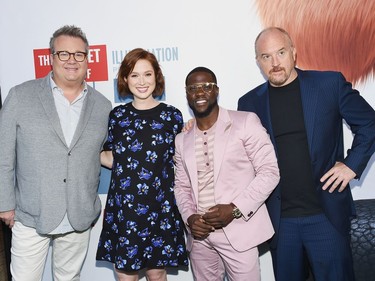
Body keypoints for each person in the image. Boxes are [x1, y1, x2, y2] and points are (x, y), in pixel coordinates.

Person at [237, 27, 375, 281]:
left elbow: (369, 124)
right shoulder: (249, 104)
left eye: (280, 52)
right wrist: (196, 126)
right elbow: (235, 150)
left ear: (294, 53)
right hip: (280, 223)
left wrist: (351, 165)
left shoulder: (328, 84)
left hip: (325, 216)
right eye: (266, 57)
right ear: (258, 62)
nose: (275, 63)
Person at [0, 25, 112, 281]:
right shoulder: (20, 96)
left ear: (87, 58)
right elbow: (3, 155)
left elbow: (107, 152)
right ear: (51, 57)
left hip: (79, 214)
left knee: (69, 278)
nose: (71, 60)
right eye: (64, 54)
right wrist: (4, 205)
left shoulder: (103, 106)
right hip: (30, 212)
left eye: (79, 54)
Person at [174, 66, 280, 281]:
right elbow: (181, 187)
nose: (200, 92)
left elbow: (269, 172)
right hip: (200, 237)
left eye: (207, 86)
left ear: (217, 90)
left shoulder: (245, 122)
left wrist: (234, 209)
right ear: (187, 94)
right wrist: (190, 218)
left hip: (239, 231)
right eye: (193, 88)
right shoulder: (181, 139)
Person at [96, 48, 188, 281]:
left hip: (161, 206)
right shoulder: (117, 117)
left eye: (147, 74)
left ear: (157, 76)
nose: (142, 81)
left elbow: (182, 157)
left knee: (157, 272)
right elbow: (110, 157)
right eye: (134, 75)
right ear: (125, 79)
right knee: (126, 274)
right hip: (126, 209)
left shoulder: (172, 116)